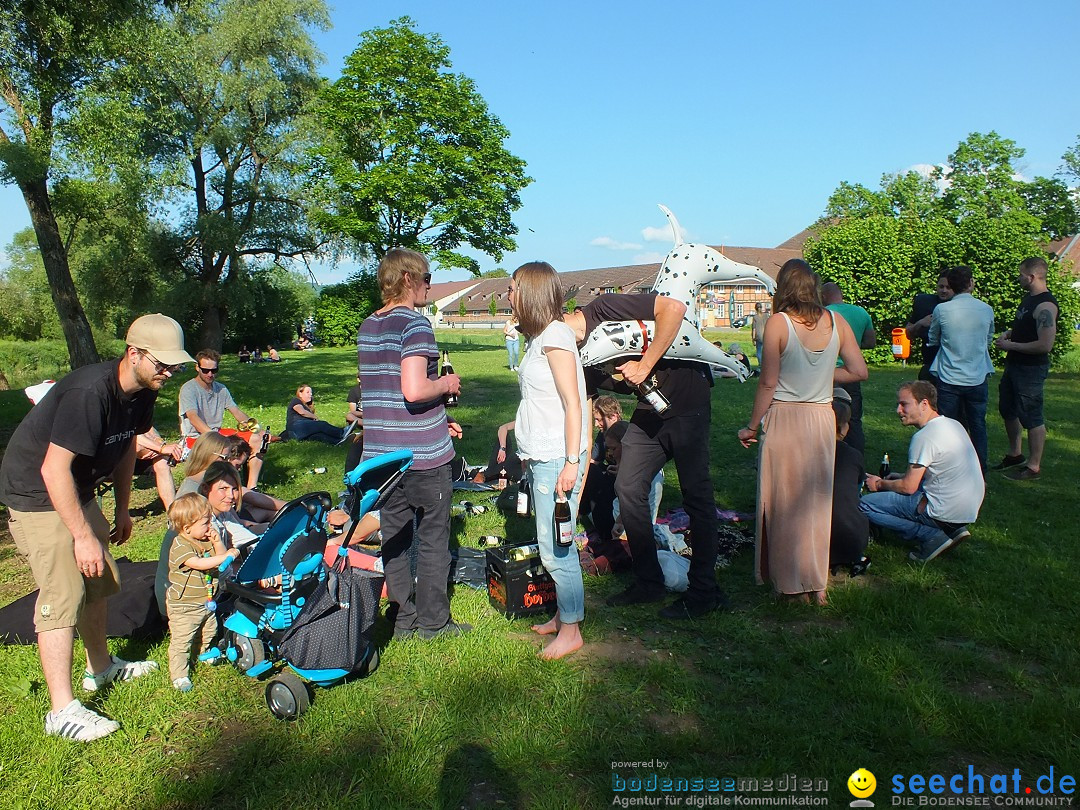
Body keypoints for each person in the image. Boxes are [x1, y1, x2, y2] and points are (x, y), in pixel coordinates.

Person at [0, 313, 193, 741]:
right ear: (133, 353)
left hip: (77, 487)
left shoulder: (142, 391)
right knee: (64, 591)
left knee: (102, 577)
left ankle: (101, 668)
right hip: (35, 491)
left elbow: (127, 447)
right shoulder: (90, 393)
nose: (169, 371)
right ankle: (62, 710)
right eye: (162, 362)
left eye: (173, 363)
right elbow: (53, 471)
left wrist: (123, 509)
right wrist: (83, 536)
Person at [564, 286, 724, 619]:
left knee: (697, 495)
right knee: (627, 486)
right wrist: (575, 464)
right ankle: (648, 581)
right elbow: (584, 404)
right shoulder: (577, 356)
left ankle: (705, 591)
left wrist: (646, 363)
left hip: (687, 399)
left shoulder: (605, 307)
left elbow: (674, 308)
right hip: (650, 409)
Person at [738, 260, 867, 605]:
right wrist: (821, 377)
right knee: (816, 501)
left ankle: (791, 585)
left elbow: (767, 383)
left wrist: (751, 427)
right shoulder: (836, 321)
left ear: (783, 287)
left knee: (782, 500)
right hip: (822, 419)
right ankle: (817, 585)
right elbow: (858, 371)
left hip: (785, 417)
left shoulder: (779, 323)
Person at [358, 248, 468, 640]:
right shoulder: (416, 325)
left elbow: (386, 390)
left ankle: (402, 619)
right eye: (426, 278)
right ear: (407, 279)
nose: (429, 286)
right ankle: (434, 622)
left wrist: (441, 414)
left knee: (396, 536)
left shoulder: (368, 326)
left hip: (382, 458)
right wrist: (447, 385)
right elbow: (413, 388)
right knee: (434, 539)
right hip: (422, 456)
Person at [510, 262, 590, 658]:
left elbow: (574, 403)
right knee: (552, 541)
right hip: (543, 454)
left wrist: (572, 462)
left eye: (513, 289)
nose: (508, 296)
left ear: (531, 293)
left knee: (556, 546)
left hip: (558, 454)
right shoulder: (539, 336)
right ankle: (564, 616)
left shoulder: (555, 335)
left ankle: (572, 631)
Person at [860, 381, 984, 562]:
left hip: (943, 510)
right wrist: (901, 477)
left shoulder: (924, 437)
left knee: (865, 504)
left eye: (904, 404)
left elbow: (908, 488)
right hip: (967, 509)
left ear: (924, 404)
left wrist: (878, 484)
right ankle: (950, 529)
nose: (898, 410)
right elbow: (939, 470)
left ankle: (930, 535)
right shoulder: (953, 424)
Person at [164, 493, 239, 692]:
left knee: (209, 631)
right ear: (187, 528)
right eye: (206, 523)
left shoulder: (204, 539)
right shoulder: (180, 546)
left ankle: (204, 653)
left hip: (206, 601)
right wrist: (227, 555)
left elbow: (221, 558)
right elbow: (198, 563)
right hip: (184, 605)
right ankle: (179, 674)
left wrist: (217, 543)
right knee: (182, 640)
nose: (210, 526)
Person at [994, 257, 1058, 481]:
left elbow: (1045, 345)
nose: (1019, 278)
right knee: (1008, 409)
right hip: (1014, 365)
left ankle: (1033, 466)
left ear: (1031, 277)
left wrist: (1012, 345)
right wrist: (1009, 334)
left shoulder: (1046, 306)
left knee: (1032, 416)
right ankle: (1015, 454)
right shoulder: (1028, 299)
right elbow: (1024, 326)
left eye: (1021, 274)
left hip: (1030, 370)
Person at [927, 266, 995, 472]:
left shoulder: (942, 310)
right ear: (971, 284)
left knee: (947, 426)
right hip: (977, 376)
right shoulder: (986, 309)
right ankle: (980, 469)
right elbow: (988, 339)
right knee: (977, 426)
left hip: (949, 375)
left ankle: (949, 467)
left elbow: (933, 338)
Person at [178, 349, 266, 490]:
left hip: (217, 432)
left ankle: (251, 488)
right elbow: (193, 418)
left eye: (214, 370)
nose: (210, 374)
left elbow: (236, 411)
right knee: (229, 448)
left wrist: (255, 428)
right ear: (197, 368)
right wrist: (218, 438)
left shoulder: (221, 389)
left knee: (258, 440)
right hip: (196, 437)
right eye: (205, 370)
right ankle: (229, 486)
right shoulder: (188, 389)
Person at [823, 281, 875, 453]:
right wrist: (852, 346)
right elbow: (870, 342)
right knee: (853, 419)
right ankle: (856, 458)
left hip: (829, 372)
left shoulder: (825, 314)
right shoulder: (861, 312)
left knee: (826, 417)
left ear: (823, 296)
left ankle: (829, 455)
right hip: (852, 371)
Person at [830, 392, 870, 575]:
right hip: (851, 536)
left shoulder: (807, 454)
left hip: (814, 535)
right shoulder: (853, 455)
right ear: (843, 428)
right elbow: (857, 487)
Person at [906, 273, 954, 382]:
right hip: (930, 362)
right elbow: (908, 333)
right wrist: (920, 323)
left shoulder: (962, 306)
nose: (944, 290)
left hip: (953, 366)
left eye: (948, 287)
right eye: (941, 287)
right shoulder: (925, 303)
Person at [134, 426, 184, 509]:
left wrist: (159, 442)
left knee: (162, 462)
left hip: (138, 454)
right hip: (116, 457)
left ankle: (172, 513)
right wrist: (160, 448)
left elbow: (148, 427)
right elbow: (130, 433)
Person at [751, 302, 768, 371]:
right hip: (766, 335)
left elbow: (754, 329)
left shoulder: (755, 317)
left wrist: (753, 338)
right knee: (765, 351)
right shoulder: (766, 316)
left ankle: (761, 365)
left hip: (758, 336)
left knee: (759, 351)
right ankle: (766, 365)